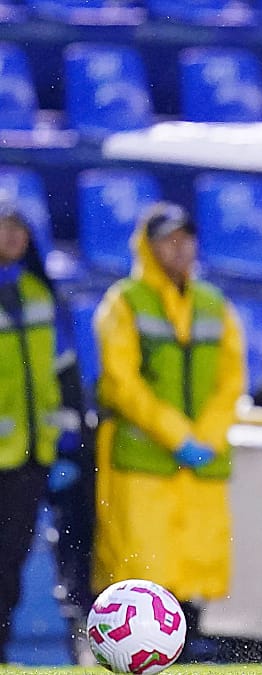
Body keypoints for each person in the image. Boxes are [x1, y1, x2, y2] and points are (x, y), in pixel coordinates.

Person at [91, 202, 246, 633]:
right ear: (148, 246)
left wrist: (208, 436)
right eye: (168, 240)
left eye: (186, 238)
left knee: (195, 561)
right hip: (143, 459)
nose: (180, 248)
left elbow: (231, 380)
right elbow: (120, 382)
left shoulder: (215, 304)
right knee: (140, 566)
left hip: (202, 460)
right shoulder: (125, 301)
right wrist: (178, 435)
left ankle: (188, 642)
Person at [0, 206, 63, 662]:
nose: (12, 237)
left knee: (12, 560)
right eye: (4, 228)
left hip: (31, 451)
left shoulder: (39, 290)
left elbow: (60, 366)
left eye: (19, 228)